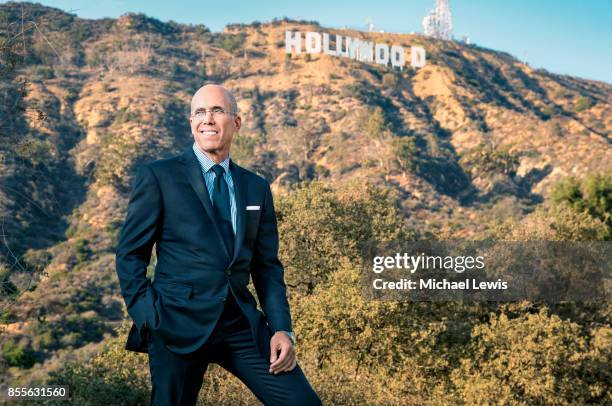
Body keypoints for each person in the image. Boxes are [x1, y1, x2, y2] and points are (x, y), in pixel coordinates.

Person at [115, 83, 321, 405]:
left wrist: (282, 329)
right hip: (174, 323)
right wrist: (149, 317)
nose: (207, 119)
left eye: (217, 111)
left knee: (301, 402)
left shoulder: (256, 187)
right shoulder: (159, 177)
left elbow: (266, 267)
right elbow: (130, 254)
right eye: (199, 112)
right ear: (191, 123)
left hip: (240, 325)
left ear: (236, 122)